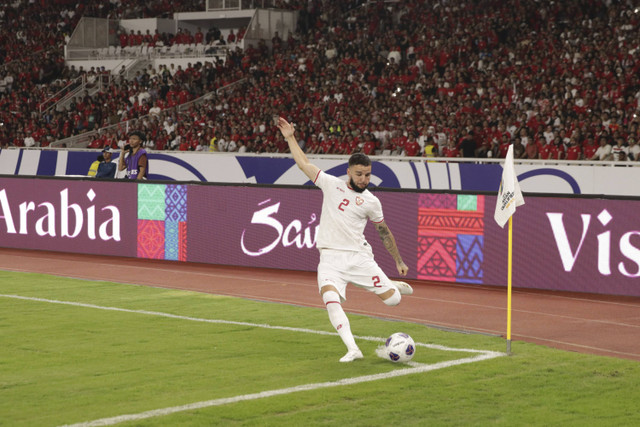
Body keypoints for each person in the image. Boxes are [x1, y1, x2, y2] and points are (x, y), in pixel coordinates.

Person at [277, 117, 413, 363]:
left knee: (394, 301)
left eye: (368, 175)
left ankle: (389, 283)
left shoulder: (372, 201)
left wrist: (398, 261)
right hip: (329, 257)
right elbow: (304, 164)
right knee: (330, 299)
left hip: (358, 257)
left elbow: (384, 231)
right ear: (348, 172)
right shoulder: (330, 184)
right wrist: (290, 138)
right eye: (359, 174)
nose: (364, 179)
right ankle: (353, 349)